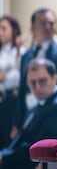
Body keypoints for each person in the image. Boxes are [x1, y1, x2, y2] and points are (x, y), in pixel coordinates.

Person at [0, 58, 57, 169]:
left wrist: (3, 157)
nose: (37, 87)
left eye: (42, 81)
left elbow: (37, 148)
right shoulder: (40, 104)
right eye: (32, 82)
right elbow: (20, 140)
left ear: (55, 78)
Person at [16, 8, 57, 129]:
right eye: (43, 23)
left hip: (52, 115)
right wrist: (16, 122)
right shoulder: (27, 55)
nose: (48, 27)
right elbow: (22, 88)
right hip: (28, 115)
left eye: (51, 23)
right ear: (32, 27)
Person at [0, 15, 25, 149]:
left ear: (13, 30)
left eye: (4, 28)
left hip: (11, 101)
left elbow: (18, 76)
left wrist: (5, 77)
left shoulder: (19, 51)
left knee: (9, 140)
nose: (0, 32)